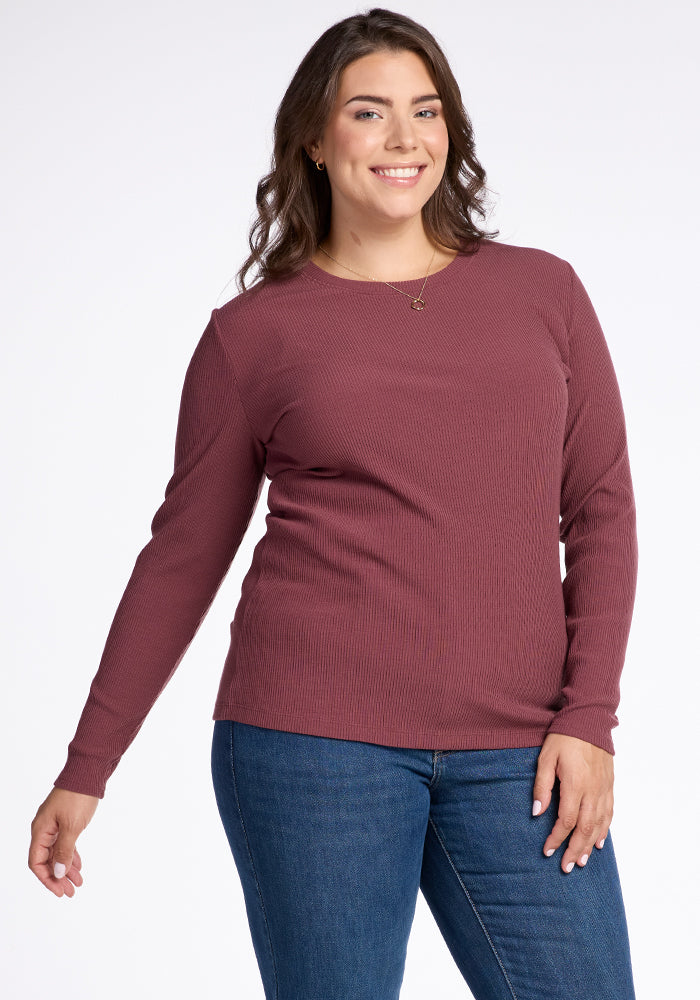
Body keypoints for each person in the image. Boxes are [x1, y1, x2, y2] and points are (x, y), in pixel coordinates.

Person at [29, 8, 639, 999]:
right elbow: (183, 555)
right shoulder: (255, 333)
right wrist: (87, 766)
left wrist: (591, 717)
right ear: (316, 138)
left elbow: (601, 513)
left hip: (522, 753)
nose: (405, 139)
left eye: (425, 110)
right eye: (369, 112)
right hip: (310, 754)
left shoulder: (544, 294)